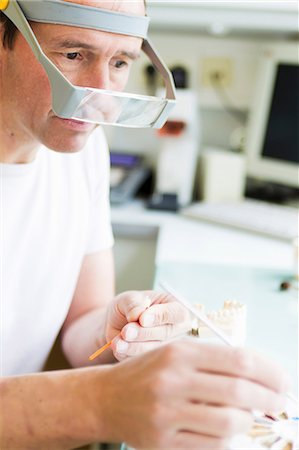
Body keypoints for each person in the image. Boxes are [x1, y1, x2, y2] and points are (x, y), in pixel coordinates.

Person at [0, 1, 290, 449]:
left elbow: (82, 324)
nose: (101, 100)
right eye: (73, 55)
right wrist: (98, 403)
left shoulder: (83, 154)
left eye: (119, 63)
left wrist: (111, 331)